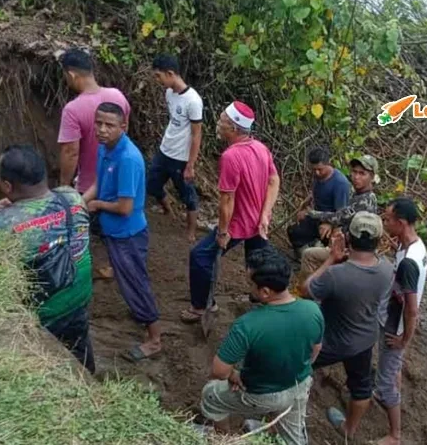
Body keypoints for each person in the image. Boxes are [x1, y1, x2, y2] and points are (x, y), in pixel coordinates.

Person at [198, 246, 324, 445]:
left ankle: (223, 439)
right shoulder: (312, 310)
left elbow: (219, 370)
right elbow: (315, 350)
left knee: (210, 395)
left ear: (265, 291)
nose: (249, 287)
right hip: (300, 385)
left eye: (251, 283)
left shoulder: (248, 324)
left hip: (261, 394)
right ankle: (280, 432)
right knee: (294, 437)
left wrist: (234, 376)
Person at [0, 145, 95, 373]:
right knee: (79, 349)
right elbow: (49, 205)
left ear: (7, 186)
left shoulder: (1, 226)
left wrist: (9, 212)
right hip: (79, 296)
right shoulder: (73, 197)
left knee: (47, 363)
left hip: (45, 312)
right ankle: (88, 376)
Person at [181, 101, 280, 323]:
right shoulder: (260, 148)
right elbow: (274, 180)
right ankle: (267, 301)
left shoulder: (231, 157)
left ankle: (200, 306)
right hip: (257, 223)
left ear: (234, 128)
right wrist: (265, 214)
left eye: (222, 120)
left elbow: (227, 200)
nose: (218, 123)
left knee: (200, 256)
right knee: (259, 263)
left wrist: (223, 232)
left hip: (239, 224)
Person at [298, 212, 393, 440]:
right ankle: (348, 431)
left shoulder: (335, 274)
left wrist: (332, 257)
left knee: (296, 371)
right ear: (379, 241)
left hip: (329, 340)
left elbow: (306, 290)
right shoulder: (386, 269)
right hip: (363, 340)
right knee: (360, 388)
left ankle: (287, 424)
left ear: (347, 237)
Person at [82, 102, 161, 362]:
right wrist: (80, 202)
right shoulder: (105, 149)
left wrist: (96, 205)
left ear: (123, 127)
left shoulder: (128, 158)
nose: (102, 130)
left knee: (136, 285)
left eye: (109, 125)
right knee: (130, 276)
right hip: (111, 227)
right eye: (99, 123)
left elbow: (125, 207)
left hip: (127, 232)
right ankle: (118, 272)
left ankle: (154, 339)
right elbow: (98, 184)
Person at [376, 198, 427, 445]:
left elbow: (412, 308)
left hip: (395, 322)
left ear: (402, 222)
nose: (385, 223)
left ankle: (394, 435)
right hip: (394, 314)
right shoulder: (413, 246)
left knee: (385, 381)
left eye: (388, 219)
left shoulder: (409, 262)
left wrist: (404, 338)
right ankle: (392, 393)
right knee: (393, 368)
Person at [57, 48, 131, 196]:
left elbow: (71, 153)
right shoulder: (118, 96)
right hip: (118, 178)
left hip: (88, 187)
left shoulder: (72, 110)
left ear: (71, 75)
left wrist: (63, 186)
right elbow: (124, 132)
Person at [147, 54, 203, 243]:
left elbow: (196, 134)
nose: (157, 80)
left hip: (181, 156)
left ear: (170, 73)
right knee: (152, 184)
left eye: (158, 76)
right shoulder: (169, 93)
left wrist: (191, 164)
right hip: (165, 149)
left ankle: (190, 231)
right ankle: (168, 211)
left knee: (188, 195)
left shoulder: (193, 101)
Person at [298, 154, 377, 280]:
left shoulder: (365, 200)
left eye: (362, 173)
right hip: (345, 246)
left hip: (352, 254)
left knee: (309, 255)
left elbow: (339, 216)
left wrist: (312, 213)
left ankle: (307, 293)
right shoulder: (358, 195)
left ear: (372, 177)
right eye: (354, 172)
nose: (356, 177)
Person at [286, 147, 351, 262]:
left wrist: (330, 225)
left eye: (320, 169)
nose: (316, 172)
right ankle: (302, 258)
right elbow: (315, 193)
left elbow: (342, 213)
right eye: (314, 169)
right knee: (294, 231)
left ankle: (320, 260)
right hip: (316, 217)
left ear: (328, 164)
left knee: (333, 246)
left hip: (333, 222)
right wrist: (305, 205)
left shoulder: (340, 183)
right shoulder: (317, 176)